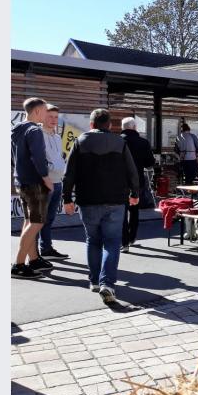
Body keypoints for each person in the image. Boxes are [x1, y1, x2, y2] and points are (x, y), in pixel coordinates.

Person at [63, 109, 139, 304]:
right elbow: (132, 171)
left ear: (91, 124)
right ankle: (107, 283)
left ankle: (95, 281)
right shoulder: (120, 143)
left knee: (93, 240)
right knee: (112, 242)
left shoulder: (80, 142)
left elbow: (69, 173)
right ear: (109, 125)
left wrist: (67, 199)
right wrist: (134, 193)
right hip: (115, 200)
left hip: (88, 200)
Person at [11, 97, 55, 278]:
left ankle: (34, 259)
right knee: (37, 222)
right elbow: (38, 157)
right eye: (45, 111)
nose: (46, 114)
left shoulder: (16, 129)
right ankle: (18, 265)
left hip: (21, 182)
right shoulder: (34, 130)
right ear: (37, 111)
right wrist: (46, 178)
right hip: (35, 182)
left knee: (29, 221)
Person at [36, 103, 69, 260]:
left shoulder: (56, 137)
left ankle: (46, 249)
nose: (54, 119)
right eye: (50, 116)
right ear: (42, 116)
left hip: (58, 182)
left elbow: (58, 157)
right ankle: (33, 254)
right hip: (44, 182)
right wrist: (51, 168)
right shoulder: (37, 134)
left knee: (49, 219)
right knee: (37, 221)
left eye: (56, 117)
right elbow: (37, 159)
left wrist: (60, 167)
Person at [120, 117, 156, 253]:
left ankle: (124, 242)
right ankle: (132, 237)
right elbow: (149, 163)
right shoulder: (143, 142)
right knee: (134, 211)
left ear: (123, 127)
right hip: (137, 181)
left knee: (121, 212)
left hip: (120, 182)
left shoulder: (118, 141)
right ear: (134, 127)